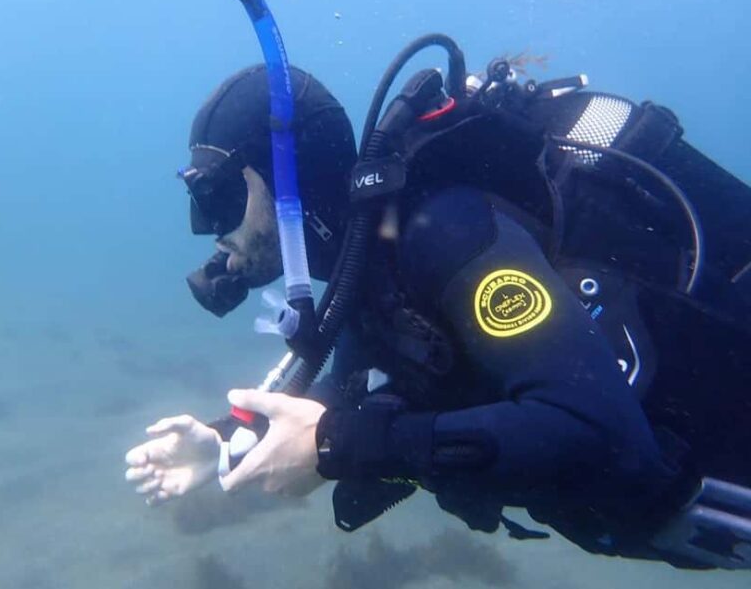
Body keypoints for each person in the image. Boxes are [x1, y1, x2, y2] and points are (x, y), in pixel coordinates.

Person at [125, 40, 751, 570]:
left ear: (287, 179)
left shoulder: (443, 233)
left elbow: (608, 439)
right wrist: (223, 442)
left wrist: (338, 448)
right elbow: (329, 401)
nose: (210, 230)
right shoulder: (372, 277)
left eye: (221, 198)